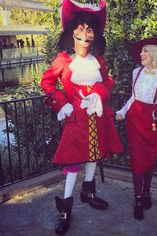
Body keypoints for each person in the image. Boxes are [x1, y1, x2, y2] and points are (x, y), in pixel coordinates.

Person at [40, 0, 123, 234]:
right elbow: (46, 82)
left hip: (97, 119)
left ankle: (89, 193)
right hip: (75, 121)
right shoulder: (63, 60)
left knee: (93, 157)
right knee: (73, 165)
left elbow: (107, 82)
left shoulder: (100, 61)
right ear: (72, 31)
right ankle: (64, 211)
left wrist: (98, 95)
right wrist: (62, 104)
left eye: (90, 29)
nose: (85, 33)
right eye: (80, 28)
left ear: (95, 35)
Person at [116, 37, 157, 220]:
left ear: (155, 54)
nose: (141, 54)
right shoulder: (136, 72)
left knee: (149, 158)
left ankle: (147, 192)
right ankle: (138, 200)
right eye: (141, 51)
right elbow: (133, 98)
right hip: (135, 120)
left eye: (145, 51)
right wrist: (122, 111)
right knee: (137, 160)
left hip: (153, 121)